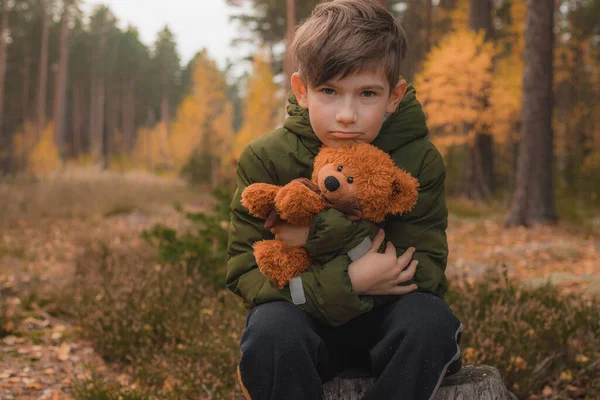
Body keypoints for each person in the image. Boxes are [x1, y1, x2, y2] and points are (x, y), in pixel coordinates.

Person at [226, 1, 462, 399]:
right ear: (302, 90)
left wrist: (311, 238)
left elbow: (425, 265)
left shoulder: (419, 160)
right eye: (330, 92)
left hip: (386, 320)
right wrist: (349, 281)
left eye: (367, 93)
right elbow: (246, 271)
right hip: (303, 319)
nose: (347, 115)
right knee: (269, 332)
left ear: (394, 95)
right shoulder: (266, 157)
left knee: (431, 323)